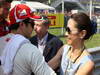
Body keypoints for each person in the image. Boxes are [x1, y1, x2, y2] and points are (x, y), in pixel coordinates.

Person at [0, 4, 56, 75]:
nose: (34, 28)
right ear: (22, 24)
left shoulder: (1, 41)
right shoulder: (30, 50)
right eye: (32, 23)